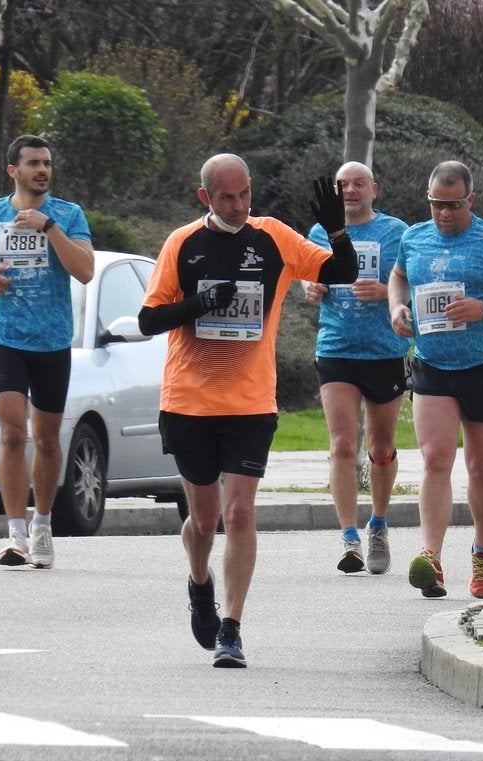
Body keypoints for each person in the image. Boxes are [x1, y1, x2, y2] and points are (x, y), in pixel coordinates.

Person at [138, 153, 358, 668]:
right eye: (226, 198)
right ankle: (199, 583)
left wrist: (337, 230)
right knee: (204, 518)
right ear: (205, 198)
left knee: (238, 513)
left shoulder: (273, 237)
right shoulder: (183, 243)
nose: (238, 206)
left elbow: (341, 271)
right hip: (189, 400)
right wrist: (202, 303)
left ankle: (232, 628)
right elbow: (149, 320)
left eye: (244, 195)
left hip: (250, 401)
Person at [387, 160, 483, 600]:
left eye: (453, 205)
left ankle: (482, 549)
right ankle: (430, 557)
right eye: (436, 204)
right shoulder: (413, 238)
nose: (444, 213)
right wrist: (396, 308)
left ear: (469, 199)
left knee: (479, 466)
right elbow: (398, 276)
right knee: (435, 458)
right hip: (433, 364)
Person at [0, 135, 94, 569]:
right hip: (5, 338)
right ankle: (15, 534)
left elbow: (86, 271)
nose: (43, 170)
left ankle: (43, 525)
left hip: (53, 341)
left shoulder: (68, 215)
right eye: (33, 163)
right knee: (13, 433)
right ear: (13, 170)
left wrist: (49, 228)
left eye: (47, 163)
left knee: (49, 439)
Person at [304, 161, 410, 576]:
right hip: (336, 348)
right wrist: (311, 288)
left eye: (358, 184)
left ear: (374, 190)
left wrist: (385, 292)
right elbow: (305, 275)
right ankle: (349, 537)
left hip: (384, 350)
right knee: (342, 445)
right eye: (342, 185)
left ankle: (378, 526)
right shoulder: (320, 231)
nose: (350, 191)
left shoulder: (396, 232)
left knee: (380, 448)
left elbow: (413, 284)